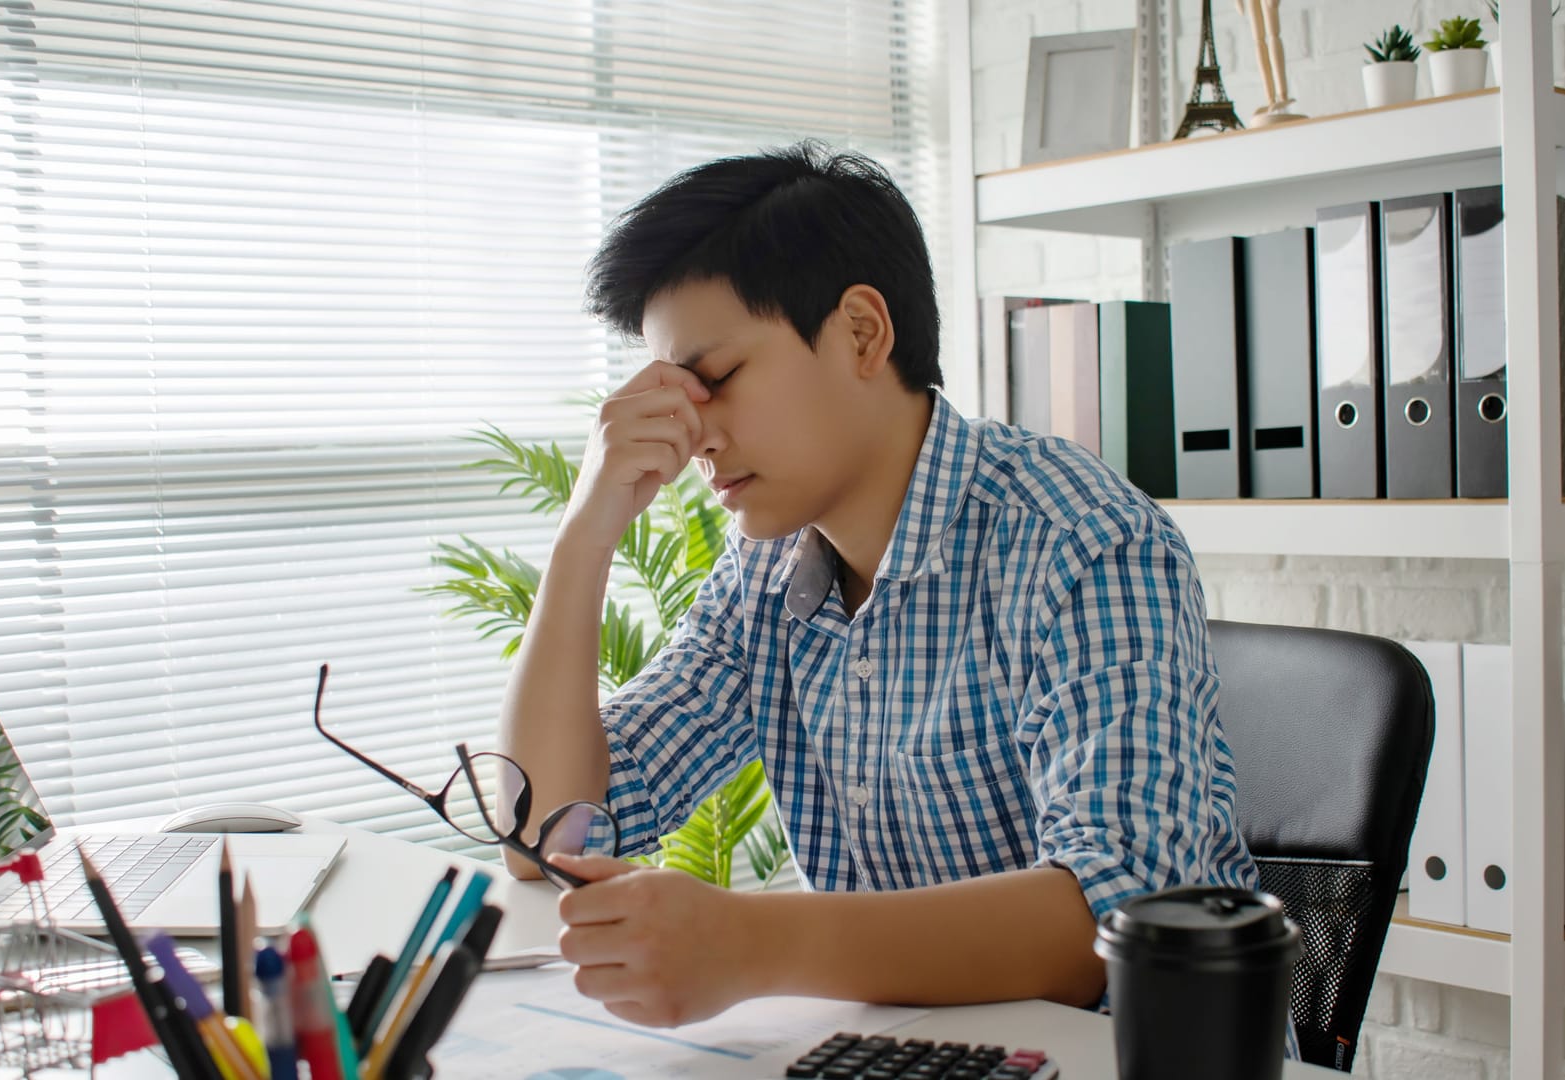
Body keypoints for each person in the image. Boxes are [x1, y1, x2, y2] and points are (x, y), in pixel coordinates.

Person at [498, 140, 1261, 1033]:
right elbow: (553, 831)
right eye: (675, 393)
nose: (695, 436)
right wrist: (585, 533)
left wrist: (750, 943)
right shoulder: (766, 570)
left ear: (863, 332)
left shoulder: (1082, 541)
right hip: (906, 1047)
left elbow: (1118, 914)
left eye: (715, 380)